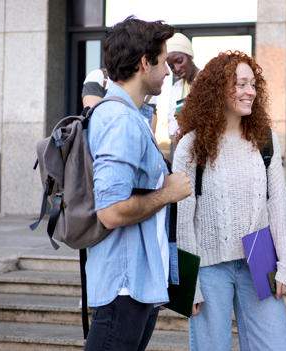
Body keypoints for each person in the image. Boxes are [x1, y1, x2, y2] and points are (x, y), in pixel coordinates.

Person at [173, 51, 286, 351]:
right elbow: (182, 217)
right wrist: (186, 285)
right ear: (218, 88)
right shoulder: (191, 145)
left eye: (253, 85)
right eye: (240, 84)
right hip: (208, 268)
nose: (250, 92)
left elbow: (278, 205)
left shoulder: (265, 139)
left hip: (258, 260)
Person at [84, 17, 193, 350]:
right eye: (162, 61)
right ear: (145, 64)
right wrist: (167, 193)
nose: (168, 71)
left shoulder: (133, 116)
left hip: (137, 285)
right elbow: (111, 212)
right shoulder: (119, 120)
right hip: (123, 287)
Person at [82, 68, 159, 132]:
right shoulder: (100, 77)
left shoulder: (148, 93)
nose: (167, 71)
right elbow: (95, 123)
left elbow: (148, 134)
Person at [166, 33, 199, 145]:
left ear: (190, 55)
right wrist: (180, 119)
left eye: (179, 61)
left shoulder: (210, 81)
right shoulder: (175, 90)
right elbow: (171, 132)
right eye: (171, 66)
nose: (177, 69)